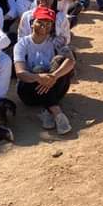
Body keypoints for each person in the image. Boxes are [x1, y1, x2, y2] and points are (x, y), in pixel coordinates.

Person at [14, 7, 76, 135]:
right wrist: (39, 78)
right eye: (40, 22)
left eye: (48, 23)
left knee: (60, 60)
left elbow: (71, 61)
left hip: (54, 85)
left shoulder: (56, 41)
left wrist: (53, 76)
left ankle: (47, 111)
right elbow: (20, 72)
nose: (44, 26)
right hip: (29, 92)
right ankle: (57, 112)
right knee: (38, 70)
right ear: (32, 23)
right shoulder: (22, 44)